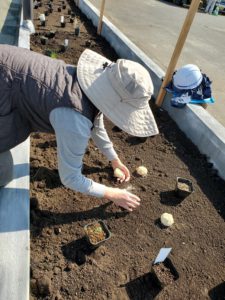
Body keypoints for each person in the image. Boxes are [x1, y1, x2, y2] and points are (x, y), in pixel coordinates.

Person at [0, 44, 158, 211]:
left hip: (7, 68)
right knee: (4, 173)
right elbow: (70, 178)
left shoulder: (84, 86)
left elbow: (95, 123)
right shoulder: (74, 117)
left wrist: (114, 159)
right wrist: (112, 194)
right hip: (5, 82)